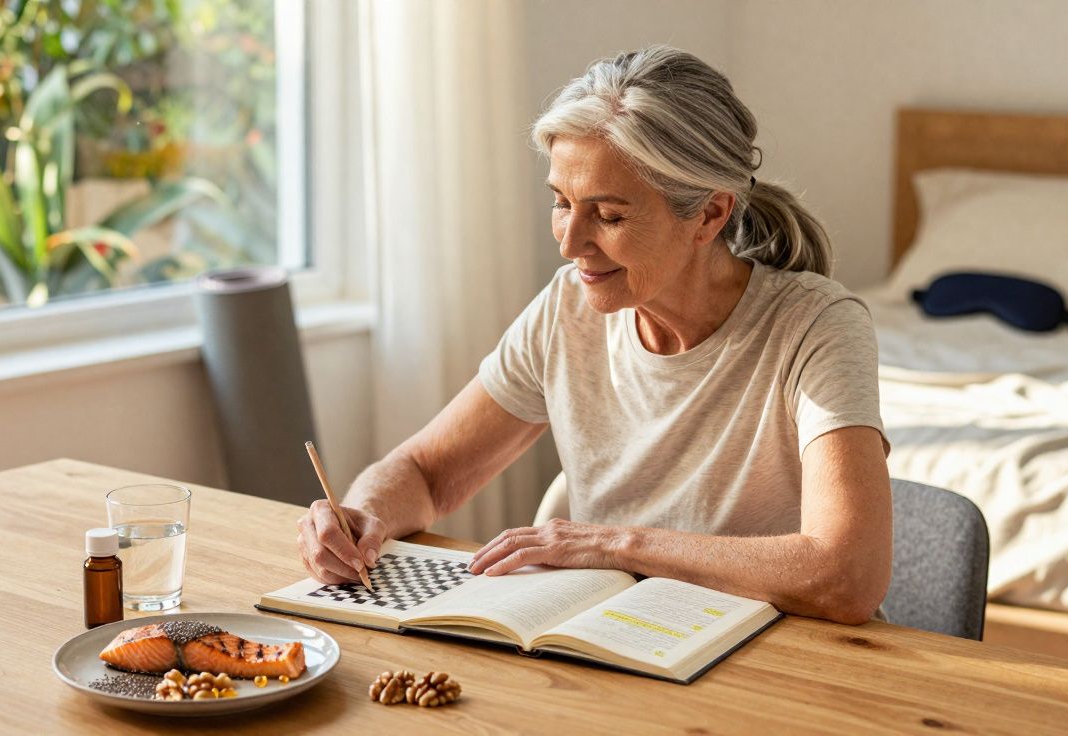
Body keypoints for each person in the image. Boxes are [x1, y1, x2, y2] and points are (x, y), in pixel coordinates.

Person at [297, 46, 892, 625]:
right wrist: (362, 515)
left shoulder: (816, 326)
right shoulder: (567, 308)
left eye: (608, 216)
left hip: (785, 664)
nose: (569, 243)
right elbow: (427, 472)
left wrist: (616, 545)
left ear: (710, 215)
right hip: (620, 644)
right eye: (561, 203)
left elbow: (847, 575)